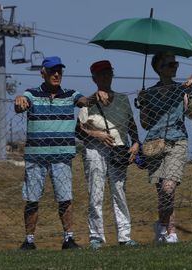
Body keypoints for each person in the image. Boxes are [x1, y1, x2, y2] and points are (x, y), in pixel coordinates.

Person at [14, 56, 109, 250]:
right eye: (51, 71)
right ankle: (29, 241)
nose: (56, 74)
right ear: (43, 73)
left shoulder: (70, 94)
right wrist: (19, 100)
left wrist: (96, 94)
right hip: (35, 156)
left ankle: (69, 238)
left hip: (62, 155)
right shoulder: (31, 94)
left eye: (59, 71)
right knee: (32, 199)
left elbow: (85, 101)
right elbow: (20, 104)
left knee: (65, 198)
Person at [76, 60, 140, 249]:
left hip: (119, 149)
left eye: (108, 73)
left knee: (119, 192)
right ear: (94, 78)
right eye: (101, 74)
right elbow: (78, 130)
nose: (105, 77)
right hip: (94, 150)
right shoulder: (87, 102)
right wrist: (95, 134)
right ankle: (96, 236)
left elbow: (130, 124)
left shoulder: (122, 99)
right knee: (95, 193)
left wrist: (136, 142)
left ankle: (124, 235)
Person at [137, 51, 192, 243]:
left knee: (168, 187)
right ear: (159, 68)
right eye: (170, 64)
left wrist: (189, 93)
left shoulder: (181, 90)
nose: (175, 67)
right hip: (154, 144)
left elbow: (191, 114)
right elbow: (145, 124)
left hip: (177, 141)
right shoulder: (150, 92)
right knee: (161, 191)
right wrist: (143, 102)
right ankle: (166, 231)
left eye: (175, 64)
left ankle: (169, 232)